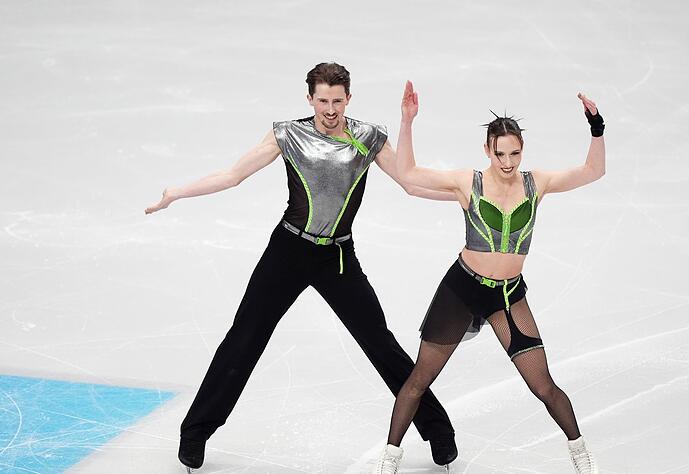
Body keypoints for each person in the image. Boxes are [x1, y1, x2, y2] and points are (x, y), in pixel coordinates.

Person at [145, 63, 459, 471]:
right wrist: (176, 192)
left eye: (338, 100)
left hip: (338, 257)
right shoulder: (288, 134)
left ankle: (438, 430)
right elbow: (232, 175)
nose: (330, 109)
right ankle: (195, 432)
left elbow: (411, 182)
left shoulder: (368, 137)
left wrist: (461, 193)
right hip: (287, 252)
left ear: (349, 98)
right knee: (244, 339)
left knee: (379, 343)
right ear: (309, 98)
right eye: (323, 100)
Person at [372, 81, 606, 474]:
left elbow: (593, 171)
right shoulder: (469, 182)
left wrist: (596, 125)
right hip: (462, 290)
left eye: (514, 153)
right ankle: (389, 460)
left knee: (542, 384)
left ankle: (581, 454)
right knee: (419, 379)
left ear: (522, 150)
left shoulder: (537, 183)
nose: (508, 161)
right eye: (500, 153)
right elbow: (408, 173)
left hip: (509, 296)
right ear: (487, 150)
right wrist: (407, 120)